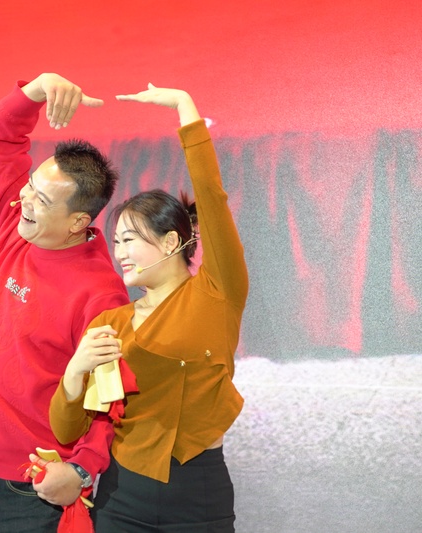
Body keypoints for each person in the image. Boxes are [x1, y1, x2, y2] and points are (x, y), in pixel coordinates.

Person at [48, 84, 249, 532]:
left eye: (130, 240)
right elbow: (67, 430)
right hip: (121, 494)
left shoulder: (217, 293)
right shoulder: (112, 323)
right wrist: (75, 371)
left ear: (171, 241)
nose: (119, 252)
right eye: (116, 241)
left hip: (199, 492)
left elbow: (211, 198)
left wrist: (185, 108)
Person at [0, 73, 130, 533]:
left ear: (77, 221)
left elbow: (110, 399)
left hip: (34, 487)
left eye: (42, 199)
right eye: (31, 185)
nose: (25, 199)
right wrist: (36, 89)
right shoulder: (14, 225)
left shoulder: (101, 295)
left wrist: (81, 470)